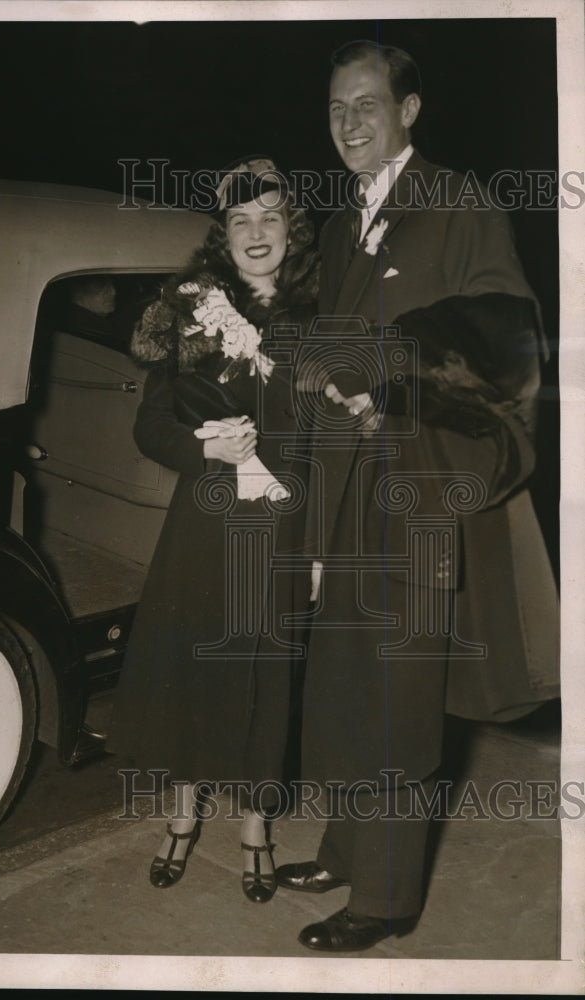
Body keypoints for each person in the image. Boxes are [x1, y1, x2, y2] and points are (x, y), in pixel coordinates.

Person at [275, 40, 560, 952]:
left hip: (419, 482)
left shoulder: (458, 202)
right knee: (349, 673)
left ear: (409, 110)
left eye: (366, 104)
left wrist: (386, 364)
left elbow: (506, 335)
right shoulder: (333, 223)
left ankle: (388, 898)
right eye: (334, 108)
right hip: (343, 483)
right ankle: (347, 848)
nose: (348, 122)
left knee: (398, 685)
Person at [108, 157, 319, 902]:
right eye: (240, 220)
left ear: (290, 228)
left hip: (283, 529)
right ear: (220, 235)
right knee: (189, 670)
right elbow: (150, 423)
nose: (255, 232)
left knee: (266, 678)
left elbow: (336, 439)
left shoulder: (321, 318)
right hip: (202, 525)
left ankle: (256, 826)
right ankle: (181, 817)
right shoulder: (190, 314)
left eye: (269, 216)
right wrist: (203, 447)